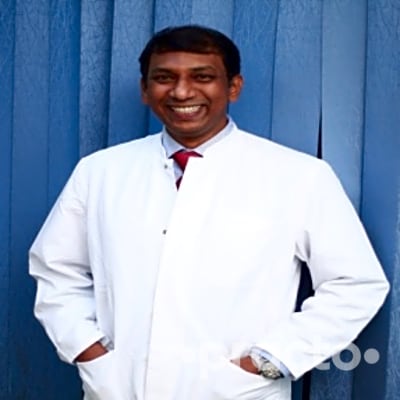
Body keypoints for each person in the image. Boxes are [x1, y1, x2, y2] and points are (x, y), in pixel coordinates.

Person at [29, 25, 389, 400]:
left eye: (202, 77)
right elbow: (56, 270)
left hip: (240, 392)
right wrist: (90, 354)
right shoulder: (100, 172)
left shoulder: (299, 176)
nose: (182, 92)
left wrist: (270, 362)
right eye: (164, 78)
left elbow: (355, 284)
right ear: (144, 90)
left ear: (233, 87)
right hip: (119, 389)